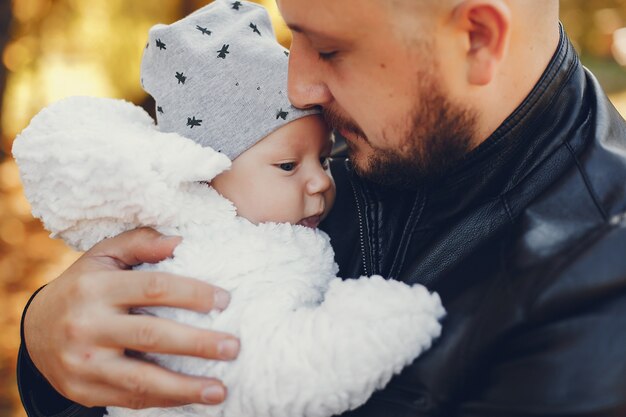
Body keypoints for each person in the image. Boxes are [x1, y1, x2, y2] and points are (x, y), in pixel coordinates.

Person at [16, 0, 626, 416]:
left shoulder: (596, 295)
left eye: (330, 49)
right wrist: (49, 342)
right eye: (292, 36)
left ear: (477, 38)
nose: (296, 87)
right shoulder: (323, 149)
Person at [13, 2, 443, 416]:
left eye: (324, 159)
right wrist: (41, 339)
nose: (321, 181)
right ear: (205, 176)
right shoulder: (183, 256)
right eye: (289, 165)